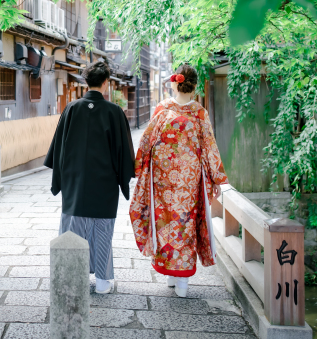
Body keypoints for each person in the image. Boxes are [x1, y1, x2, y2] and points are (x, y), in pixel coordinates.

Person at [129, 64, 228, 297]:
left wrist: (138, 167)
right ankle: (182, 282)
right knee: (185, 224)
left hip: (163, 181)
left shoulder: (162, 108)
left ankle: (171, 276)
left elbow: (146, 142)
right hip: (189, 182)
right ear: (194, 87)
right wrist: (216, 178)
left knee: (165, 224)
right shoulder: (199, 112)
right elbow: (210, 148)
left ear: (175, 84)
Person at [44, 60, 136, 294]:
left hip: (75, 184)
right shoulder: (114, 112)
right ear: (106, 83)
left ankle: (72, 278)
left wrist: (62, 178)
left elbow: (59, 150)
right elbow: (124, 151)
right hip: (105, 185)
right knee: (103, 230)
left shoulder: (71, 109)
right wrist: (124, 177)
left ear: (86, 82)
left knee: (73, 229)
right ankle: (104, 282)